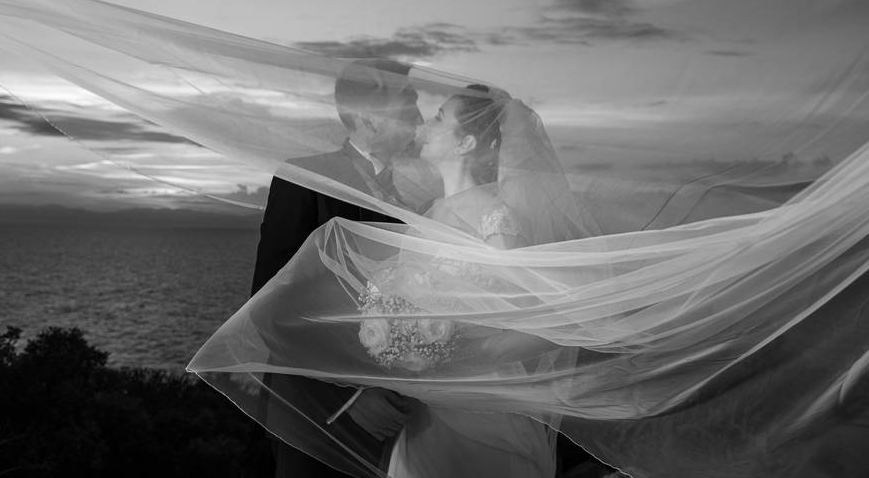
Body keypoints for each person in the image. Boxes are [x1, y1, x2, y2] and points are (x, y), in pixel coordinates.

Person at [381, 84, 613, 478]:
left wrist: (466, 356)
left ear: (466, 142)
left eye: (440, 118)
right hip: (425, 414)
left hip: (485, 411)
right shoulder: (426, 216)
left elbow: (546, 323)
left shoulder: (496, 220)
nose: (425, 125)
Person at [249, 58, 425, 478]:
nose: (420, 118)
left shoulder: (417, 198)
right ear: (369, 118)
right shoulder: (304, 178)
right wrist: (348, 397)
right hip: (314, 418)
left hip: (399, 419)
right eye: (409, 104)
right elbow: (271, 307)